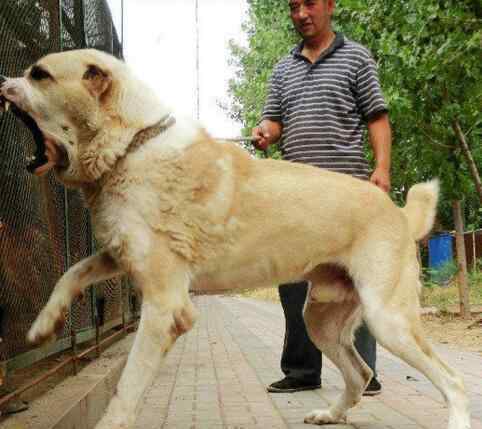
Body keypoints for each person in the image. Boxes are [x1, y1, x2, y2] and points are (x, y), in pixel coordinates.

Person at [251, 0, 392, 395]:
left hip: (346, 197)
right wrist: (265, 131)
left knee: (354, 284)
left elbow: (377, 118)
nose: (301, 13)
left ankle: (364, 373)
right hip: (296, 200)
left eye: (309, 3)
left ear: (330, 5)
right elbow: (273, 119)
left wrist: (381, 169)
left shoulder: (356, 58)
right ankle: (301, 371)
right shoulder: (283, 68)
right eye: (293, 6)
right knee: (293, 282)